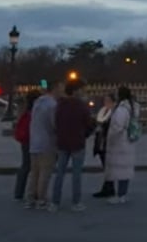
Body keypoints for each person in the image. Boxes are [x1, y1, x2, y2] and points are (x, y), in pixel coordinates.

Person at [51, 79, 94, 212]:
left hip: (62, 142)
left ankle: (55, 202)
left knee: (59, 173)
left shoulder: (59, 105)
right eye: (81, 90)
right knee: (76, 174)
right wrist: (85, 134)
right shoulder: (81, 106)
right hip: (77, 142)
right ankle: (76, 202)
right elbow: (89, 124)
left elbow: (55, 123)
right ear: (76, 91)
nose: (83, 92)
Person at [24, 80, 63, 210]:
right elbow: (54, 124)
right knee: (45, 173)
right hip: (47, 143)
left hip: (34, 142)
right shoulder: (52, 105)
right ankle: (41, 198)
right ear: (55, 89)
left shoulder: (38, 102)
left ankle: (30, 198)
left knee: (34, 172)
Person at [105, 86, 140, 204]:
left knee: (120, 169)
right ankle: (122, 193)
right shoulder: (132, 107)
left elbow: (118, 127)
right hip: (128, 141)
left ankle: (120, 195)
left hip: (120, 142)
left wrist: (110, 137)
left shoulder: (121, 109)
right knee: (125, 169)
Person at [13, 90, 41, 201]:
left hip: (25, 140)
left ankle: (19, 192)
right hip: (34, 140)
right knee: (36, 167)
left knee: (25, 165)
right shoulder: (36, 111)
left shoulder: (25, 110)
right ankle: (35, 192)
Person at [92, 93, 116, 198]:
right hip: (101, 142)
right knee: (106, 167)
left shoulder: (113, 113)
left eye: (109, 101)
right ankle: (108, 187)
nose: (106, 103)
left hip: (107, 142)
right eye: (105, 101)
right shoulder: (104, 112)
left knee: (108, 167)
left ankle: (108, 188)